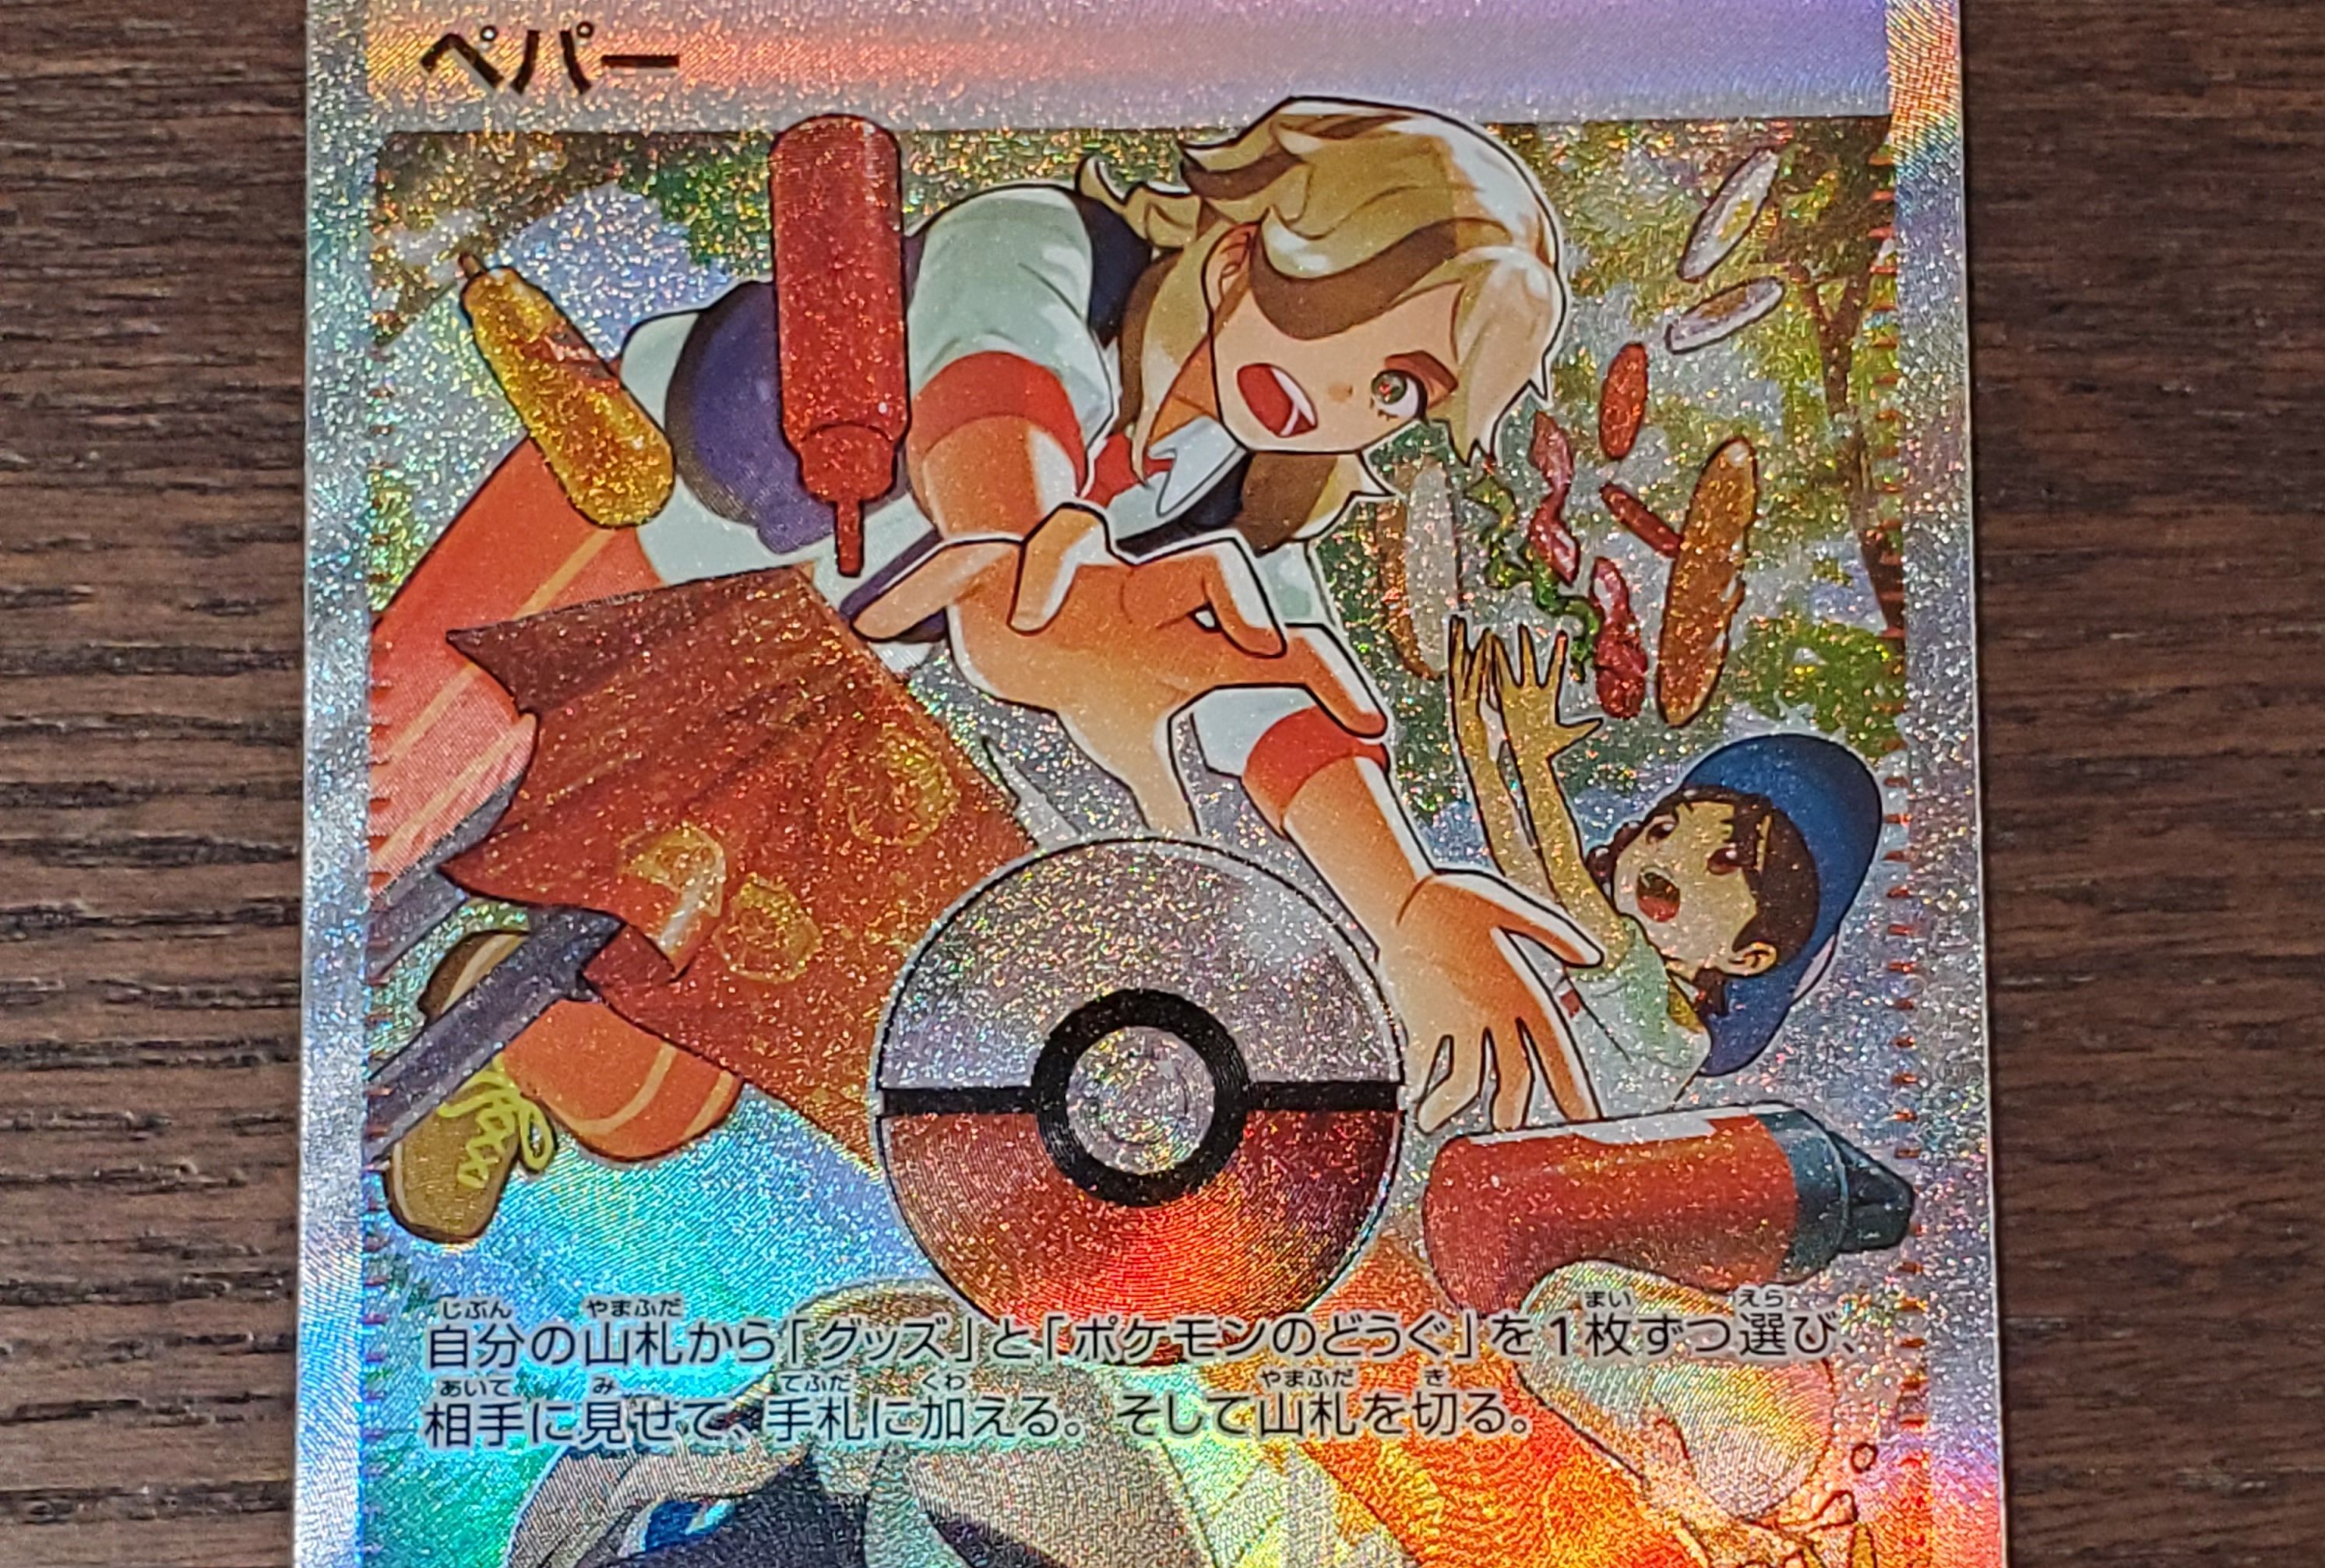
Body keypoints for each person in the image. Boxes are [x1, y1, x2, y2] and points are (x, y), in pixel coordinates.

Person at [382, 100, 1601, 1240]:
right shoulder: (1036, 252)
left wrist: (1406, 901)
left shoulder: (1224, 498)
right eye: (1346, 314)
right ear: (1258, 243)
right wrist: (1042, 595)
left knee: (665, 1078)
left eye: (1398, 388)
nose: (1345, 397)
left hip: (771, 690)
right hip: (631, 551)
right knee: (385, 812)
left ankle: (499, 1043)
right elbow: (996, 454)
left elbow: (1283, 701)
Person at [1450, 625, 1882, 1115]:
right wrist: (1480, 754)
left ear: (1749, 957)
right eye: (1663, 830)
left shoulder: (1674, 1029)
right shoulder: (1602, 950)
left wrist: (1532, 760)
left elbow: (1569, 882)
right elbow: (1525, 868)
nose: (1669, 859)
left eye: (1724, 861)